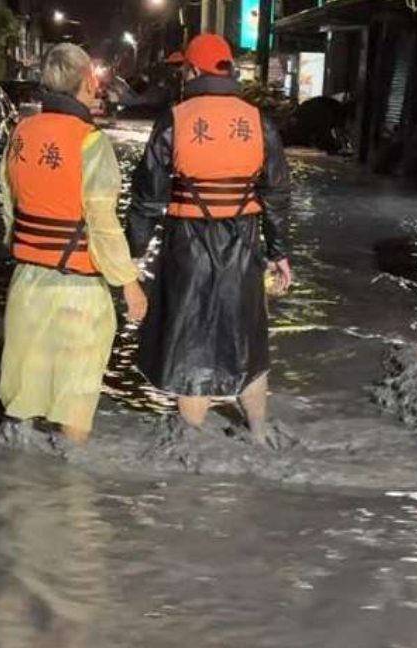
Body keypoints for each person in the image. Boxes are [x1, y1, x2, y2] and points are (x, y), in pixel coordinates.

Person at [126, 34, 292, 446]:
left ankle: (192, 443)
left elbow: (147, 198)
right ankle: (257, 432)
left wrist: (132, 255)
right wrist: (280, 253)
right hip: (243, 242)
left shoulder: (175, 120)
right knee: (248, 338)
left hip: (188, 244)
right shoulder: (258, 121)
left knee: (190, 341)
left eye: (185, 68)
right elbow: (277, 194)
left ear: (194, 71)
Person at [0, 43, 147, 445]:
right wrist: (128, 282)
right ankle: (72, 487)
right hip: (77, 289)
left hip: (27, 283)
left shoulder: (21, 133)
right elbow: (102, 221)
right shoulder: (90, 142)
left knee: (24, 388)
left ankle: (13, 484)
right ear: (87, 81)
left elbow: (9, 205)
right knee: (76, 393)